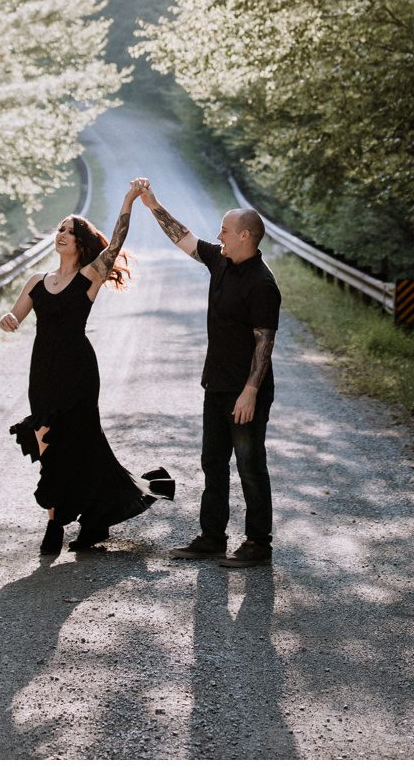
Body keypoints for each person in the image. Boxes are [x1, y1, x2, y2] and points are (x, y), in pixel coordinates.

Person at [0, 182, 172, 557]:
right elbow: (16, 313)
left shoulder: (89, 278)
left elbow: (117, 243)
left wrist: (128, 200)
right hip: (43, 371)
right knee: (46, 441)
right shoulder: (37, 282)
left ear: (80, 243)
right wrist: (9, 319)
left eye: (70, 231)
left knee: (77, 442)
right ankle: (88, 517)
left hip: (78, 370)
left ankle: (54, 524)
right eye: (60, 229)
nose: (62, 234)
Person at [135, 178, 280, 569]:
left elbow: (264, 343)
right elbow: (184, 238)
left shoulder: (263, 284)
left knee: (251, 467)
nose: (219, 235)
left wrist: (250, 391)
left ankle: (258, 544)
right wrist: (153, 204)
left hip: (244, 392)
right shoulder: (222, 260)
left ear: (245, 236)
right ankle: (213, 537)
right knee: (212, 463)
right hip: (215, 385)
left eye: (225, 231)